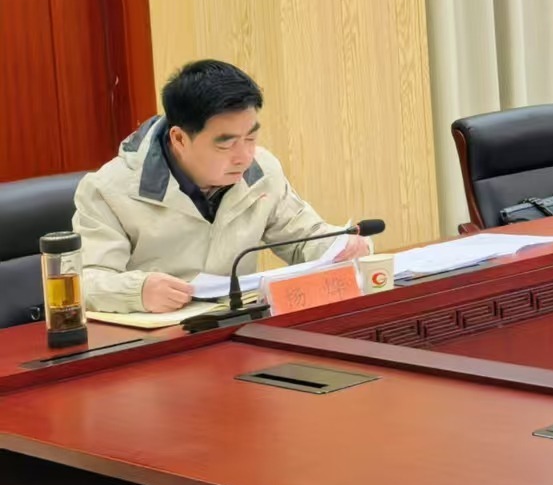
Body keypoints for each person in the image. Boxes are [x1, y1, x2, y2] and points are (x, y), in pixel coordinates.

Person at [72, 60, 372, 314]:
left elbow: (302, 238)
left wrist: (338, 248)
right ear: (179, 139)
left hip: (239, 329)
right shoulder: (108, 190)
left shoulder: (262, 171)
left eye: (251, 138)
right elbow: (83, 281)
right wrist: (137, 291)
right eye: (226, 144)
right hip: (155, 343)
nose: (244, 157)